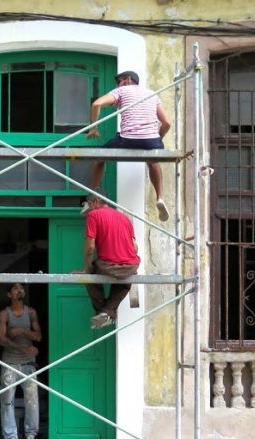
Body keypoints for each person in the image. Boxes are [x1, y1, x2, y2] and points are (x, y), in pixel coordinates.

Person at [87, 70, 172, 222]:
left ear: (127, 80)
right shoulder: (153, 94)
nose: (118, 84)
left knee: (99, 157)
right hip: (151, 140)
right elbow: (167, 123)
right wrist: (157, 139)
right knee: (153, 161)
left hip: (128, 138)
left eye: (119, 81)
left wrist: (93, 127)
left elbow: (96, 104)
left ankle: (91, 196)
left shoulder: (122, 90)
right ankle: (160, 197)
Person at [75, 192, 141, 329]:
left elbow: (90, 247)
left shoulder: (94, 215)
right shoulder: (125, 218)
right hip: (131, 266)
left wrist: (86, 269)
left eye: (89, 204)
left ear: (97, 200)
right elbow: (135, 247)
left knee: (89, 276)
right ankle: (108, 313)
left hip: (109, 266)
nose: (89, 208)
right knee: (124, 283)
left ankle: (103, 311)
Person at [0, 283, 41, 439]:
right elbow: (1, 339)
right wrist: (23, 347)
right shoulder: (4, 315)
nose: (20, 290)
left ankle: (30, 435)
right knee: (7, 400)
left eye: (21, 288)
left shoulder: (31, 313)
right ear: (9, 294)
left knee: (32, 400)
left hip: (29, 363)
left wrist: (22, 331)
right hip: (9, 362)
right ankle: (11, 437)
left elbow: (38, 337)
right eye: (15, 288)